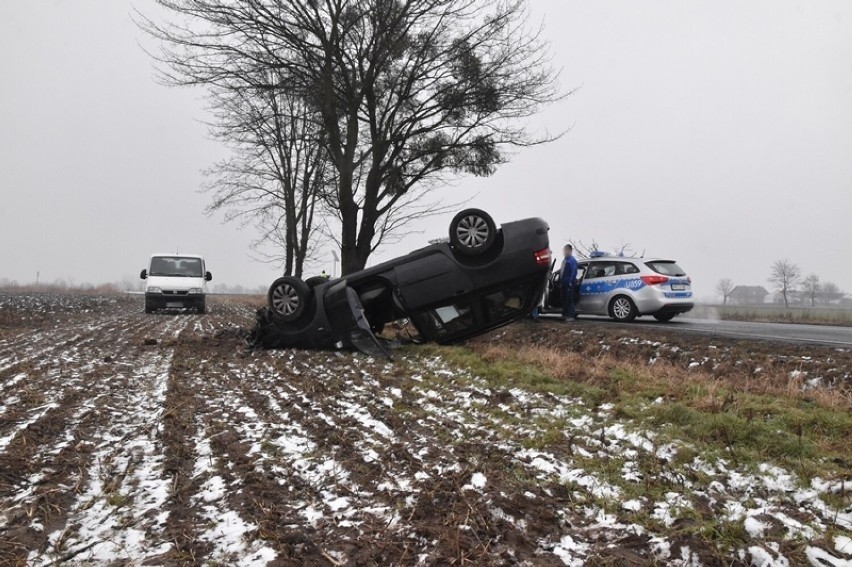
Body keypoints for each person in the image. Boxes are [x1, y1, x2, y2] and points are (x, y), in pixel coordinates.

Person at [561, 244, 578, 320]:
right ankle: (565, 314)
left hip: (569, 283)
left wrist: (570, 282)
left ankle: (570, 315)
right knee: (565, 299)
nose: (565, 252)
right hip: (563, 284)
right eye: (564, 250)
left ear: (570, 251)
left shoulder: (572, 260)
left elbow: (573, 272)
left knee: (569, 300)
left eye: (566, 250)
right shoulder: (564, 260)